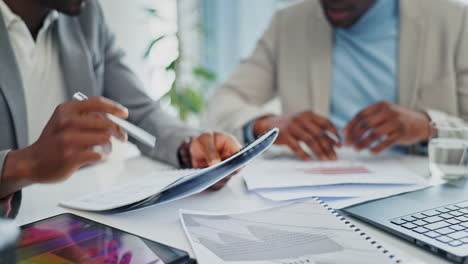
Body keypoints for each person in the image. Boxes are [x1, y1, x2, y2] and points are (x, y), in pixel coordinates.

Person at [0, 0, 242, 218]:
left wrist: (188, 146)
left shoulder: (86, 15)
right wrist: (27, 164)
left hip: (68, 214)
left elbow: (138, 111)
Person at [207, 0, 468, 161]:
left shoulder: (455, 21)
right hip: (311, 187)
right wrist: (264, 124)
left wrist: (427, 126)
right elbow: (223, 102)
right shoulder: (288, 22)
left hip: (420, 192)